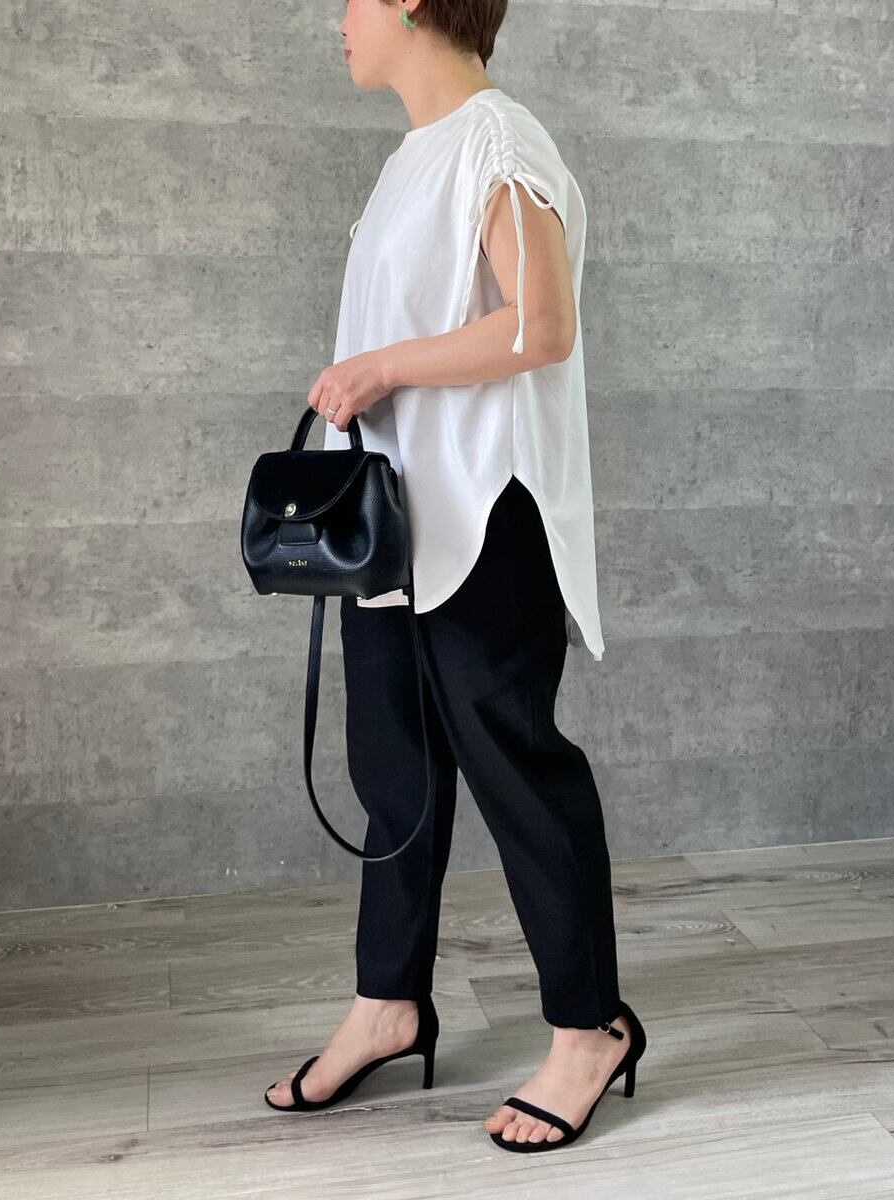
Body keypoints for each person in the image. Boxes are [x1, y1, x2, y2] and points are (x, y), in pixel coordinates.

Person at [262, 0, 647, 1151]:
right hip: (396, 523)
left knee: (517, 767)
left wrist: (380, 367)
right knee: (397, 772)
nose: (336, 18)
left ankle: (589, 1029)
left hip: (486, 511)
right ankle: (389, 1004)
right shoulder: (415, 158)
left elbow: (541, 326)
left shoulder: (498, 141)